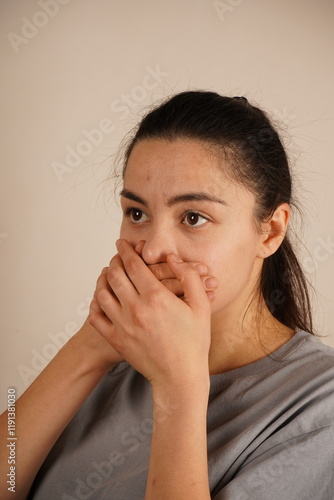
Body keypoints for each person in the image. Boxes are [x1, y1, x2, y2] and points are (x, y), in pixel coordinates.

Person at [1, 91, 334, 500]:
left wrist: (179, 385)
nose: (154, 249)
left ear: (270, 231)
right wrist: (88, 349)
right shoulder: (111, 363)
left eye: (193, 217)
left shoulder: (320, 410)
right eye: (137, 213)